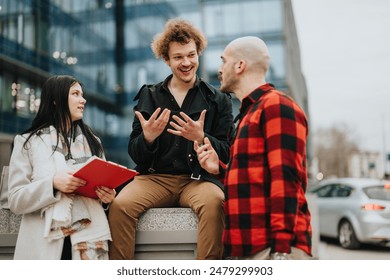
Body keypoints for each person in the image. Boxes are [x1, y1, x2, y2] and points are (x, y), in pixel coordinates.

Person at [108, 18, 233, 260]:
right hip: (155, 178)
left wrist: (201, 138)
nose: (186, 63)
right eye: (178, 57)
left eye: (191, 55)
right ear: (166, 59)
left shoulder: (219, 100)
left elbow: (227, 151)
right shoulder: (150, 96)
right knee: (120, 206)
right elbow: (135, 152)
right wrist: (147, 138)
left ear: (199, 53)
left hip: (198, 180)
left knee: (215, 203)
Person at [194, 36, 312, 260]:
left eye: (223, 61)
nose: (219, 69)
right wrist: (218, 170)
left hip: (273, 249)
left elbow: (286, 180)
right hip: (247, 249)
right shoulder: (248, 114)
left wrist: (281, 249)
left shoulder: (276, 106)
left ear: (240, 65)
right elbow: (254, 180)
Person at [8, 75, 116, 260]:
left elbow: (102, 189)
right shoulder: (28, 142)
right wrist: (52, 184)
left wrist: (107, 198)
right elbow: (16, 200)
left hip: (87, 245)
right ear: (56, 100)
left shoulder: (93, 143)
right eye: (76, 94)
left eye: (82, 94)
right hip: (46, 246)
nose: (83, 100)